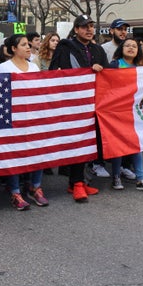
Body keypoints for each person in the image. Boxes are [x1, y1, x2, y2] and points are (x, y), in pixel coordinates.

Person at [50, 15, 109, 202]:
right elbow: (53, 72)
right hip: (72, 103)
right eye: (84, 27)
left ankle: (79, 181)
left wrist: (101, 71)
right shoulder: (65, 47)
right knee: (77, 141)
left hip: (93, 103)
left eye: (91, 26)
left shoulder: (98, 50)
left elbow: (108, 76)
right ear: (76, 29)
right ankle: (76, 183)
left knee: (89, 142)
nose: (89, 30)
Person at [0, 34, 49, 210]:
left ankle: (35, 186)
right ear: (13, 48)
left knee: (37, 151)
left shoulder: (34, 67)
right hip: (14, 118)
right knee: (14, 154)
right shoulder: (4, 67)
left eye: (28, 44)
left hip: (33, 117)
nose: (28, 47)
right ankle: (15, 190)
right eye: (24, 45)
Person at [108, 38, 143, 191]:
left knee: (137, 144)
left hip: (135, 112)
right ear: (121, 48)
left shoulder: (141, 67)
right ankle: (116, 177)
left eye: (134, 46)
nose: (131, 48)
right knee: (118, 146)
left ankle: (141, 178)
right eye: (127, 45)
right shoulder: (114, 65)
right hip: (117, 112)